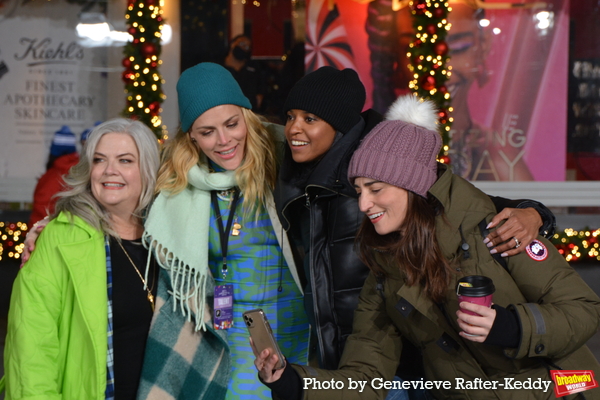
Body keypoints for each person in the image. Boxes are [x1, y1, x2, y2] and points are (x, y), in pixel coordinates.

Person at [254, 95, 600, 399]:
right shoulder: (384, 269)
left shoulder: (495, 229)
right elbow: (365, 377)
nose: (363, 204)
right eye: (359, 190)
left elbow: (584, 309)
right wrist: (291, 381)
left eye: (375, 188)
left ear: (412, 186)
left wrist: (512, 326)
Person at [275, 66, 556, 376]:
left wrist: (533, 213)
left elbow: (460, 201)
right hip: (351, 355)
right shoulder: (298, 180)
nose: (293, 129)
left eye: (309, 119)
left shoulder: (385, 162)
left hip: (402, 355)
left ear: (338, 124)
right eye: (290, 117)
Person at [136, 62, 309, 400]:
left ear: (247, 115)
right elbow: (116, 209)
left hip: (299, 330)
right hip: (229, 336)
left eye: (232, 124)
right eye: (207, 131)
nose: (224, 140)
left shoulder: (284, 158)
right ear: (191, 136)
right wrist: (50, 228)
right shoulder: (176, 182)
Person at [4, 118, 161, 400]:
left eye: (125, 160)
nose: (109, 170)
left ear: (148, 170)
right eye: (100, 160)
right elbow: (31, 348)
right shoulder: (59, 239)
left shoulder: (170, 241)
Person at [29, 125, 80, 227]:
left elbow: (41, 212)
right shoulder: (83, 173)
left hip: (50, 235)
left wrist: (33, 234)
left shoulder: (50, 178)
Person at [224, 34, 266, 112]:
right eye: (242, 44)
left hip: (248, 112)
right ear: (232, 44)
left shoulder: (254, 68)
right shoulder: (220, 66)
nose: (244, 48)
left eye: (247, 47)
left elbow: (260, 91)